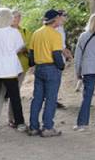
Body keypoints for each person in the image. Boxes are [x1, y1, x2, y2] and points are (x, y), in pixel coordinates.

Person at [28, 9, 66, 137]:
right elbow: (56, 54)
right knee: (51, 99)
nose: (62, 19)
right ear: (55, 19)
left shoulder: (36, 33)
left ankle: (33, 127)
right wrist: (61, 67)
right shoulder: (55, 35)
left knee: (37, 98)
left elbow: (31, 53)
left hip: (39, 68)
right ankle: (48, 127)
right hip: (51, 68)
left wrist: (33, 65)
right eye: (60, 17)